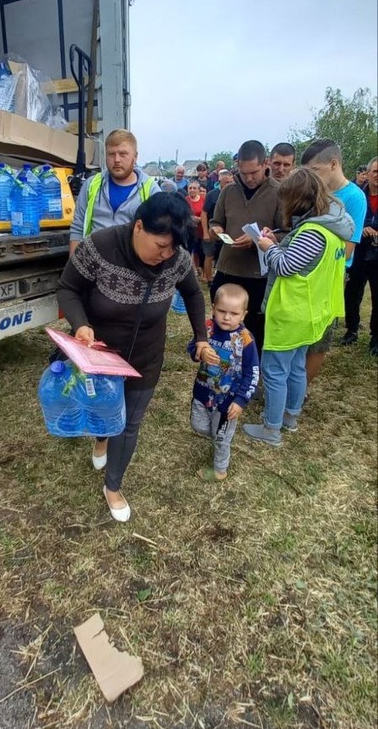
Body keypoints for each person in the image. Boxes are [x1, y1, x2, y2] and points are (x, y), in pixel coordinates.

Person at [56, 192, 209, 522]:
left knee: (129, 423)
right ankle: (100, 439)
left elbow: (194, 293)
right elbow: (67, 288)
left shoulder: (176, 258)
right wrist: (81, 325)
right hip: (101, 355)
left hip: (146, 354)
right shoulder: (100, 246)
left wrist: (201, 336)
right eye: (160, 246)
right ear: (138, 226)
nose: (166, 255)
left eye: (173, 249)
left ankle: (113, 485)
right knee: (104, 409)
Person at [243, 169, 354, 447]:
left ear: (298, 200)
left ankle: (271, 428)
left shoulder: (312, 231)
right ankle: (290, 418)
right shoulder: (331, 228)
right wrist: (280, 241)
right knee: (296, 367)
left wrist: (268, 246)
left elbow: (285, 266)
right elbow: (303, 259)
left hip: (292, 312)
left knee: (275, 370)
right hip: (313, 311)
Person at [301, 138, 366, 382]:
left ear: (333, 164)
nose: (312, 178)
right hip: (305, 274)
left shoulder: (354, 197)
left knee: (319, 338)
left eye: (315, 171)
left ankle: (302, 389)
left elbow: (347, 250)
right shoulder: (315, 192)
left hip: (330, 276)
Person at [209, 140, 281, 353]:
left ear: (265, 164)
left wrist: (261, 240)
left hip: (259, 274)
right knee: (223, 325)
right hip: (227, 268)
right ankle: (221, 369)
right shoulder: (228, 191)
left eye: (254, 172)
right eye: (243, 172)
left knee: (255, 332)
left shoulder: (279, 193)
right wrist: (216, 230)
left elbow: (286, 232)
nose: (248, 178)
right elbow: (215, 221)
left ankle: (251, 374)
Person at [188, 283, 259, 481]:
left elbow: (252, 373)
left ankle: (220, 469)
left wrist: (241, 400)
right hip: (202, 393)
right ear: (213, 309)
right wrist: (200, 352)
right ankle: (218, 436)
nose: (227, 317)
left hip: (228, 402)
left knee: (221, 438)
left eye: (234, 313)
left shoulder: (245, 340)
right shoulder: (207, 329)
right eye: (221, 311)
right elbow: (192, 348)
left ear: (243, 315)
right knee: (198, 425)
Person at [69, 130, 159, 253]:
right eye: (111, 154)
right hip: (94, 263)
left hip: (132, 266)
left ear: (135, 156)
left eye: (123, 154)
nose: (117, 160)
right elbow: (77, 229)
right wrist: (74, 267)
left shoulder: (151, 191)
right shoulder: (91, 185)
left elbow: (158, 235)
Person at [341, 157, 378, 355]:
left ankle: (375, 337)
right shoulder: (357, 196)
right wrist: (362, 229)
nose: (377, 176)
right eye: (375, 172)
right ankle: (351, 329)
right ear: (368, 173)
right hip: (358, 251)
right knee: (352, 293)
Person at [201, 170, 234, 283]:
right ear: (220, 181)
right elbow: (204, 213)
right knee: (209, 255)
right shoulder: (212, 194)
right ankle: (209, 279)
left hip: (228, 231)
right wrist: (205, 232)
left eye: (231, 182)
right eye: (226, 182)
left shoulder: (235, 195)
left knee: (225, 256)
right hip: (213, 230)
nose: (229, 184)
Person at [186, 180, 205, 272]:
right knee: (191, 250)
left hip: (201, 229)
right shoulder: (185, 200)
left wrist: (201, 219)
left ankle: (202, 269)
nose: (192, 190)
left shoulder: (203, 199)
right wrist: (191, 218)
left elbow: (207, 212)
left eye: (194, 188)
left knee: (200, 251)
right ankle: (194, 269)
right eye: (190, 188)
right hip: (189, 230)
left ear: (198, 190)